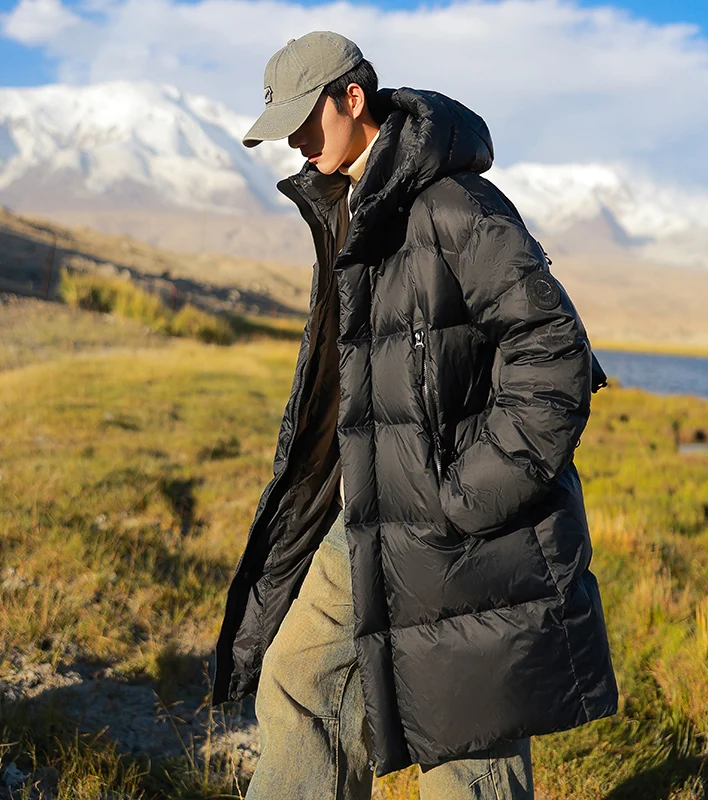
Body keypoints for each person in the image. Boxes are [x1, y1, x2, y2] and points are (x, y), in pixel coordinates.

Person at [213, 30, 618, 800]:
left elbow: (555, 351)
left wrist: (466, 496)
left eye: (305, 119)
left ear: (353, 98)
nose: (294, 142)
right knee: (299, 681)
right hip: (369, 513)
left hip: (467, 531)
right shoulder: (351, 203)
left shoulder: (453, 203)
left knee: (466, 755)